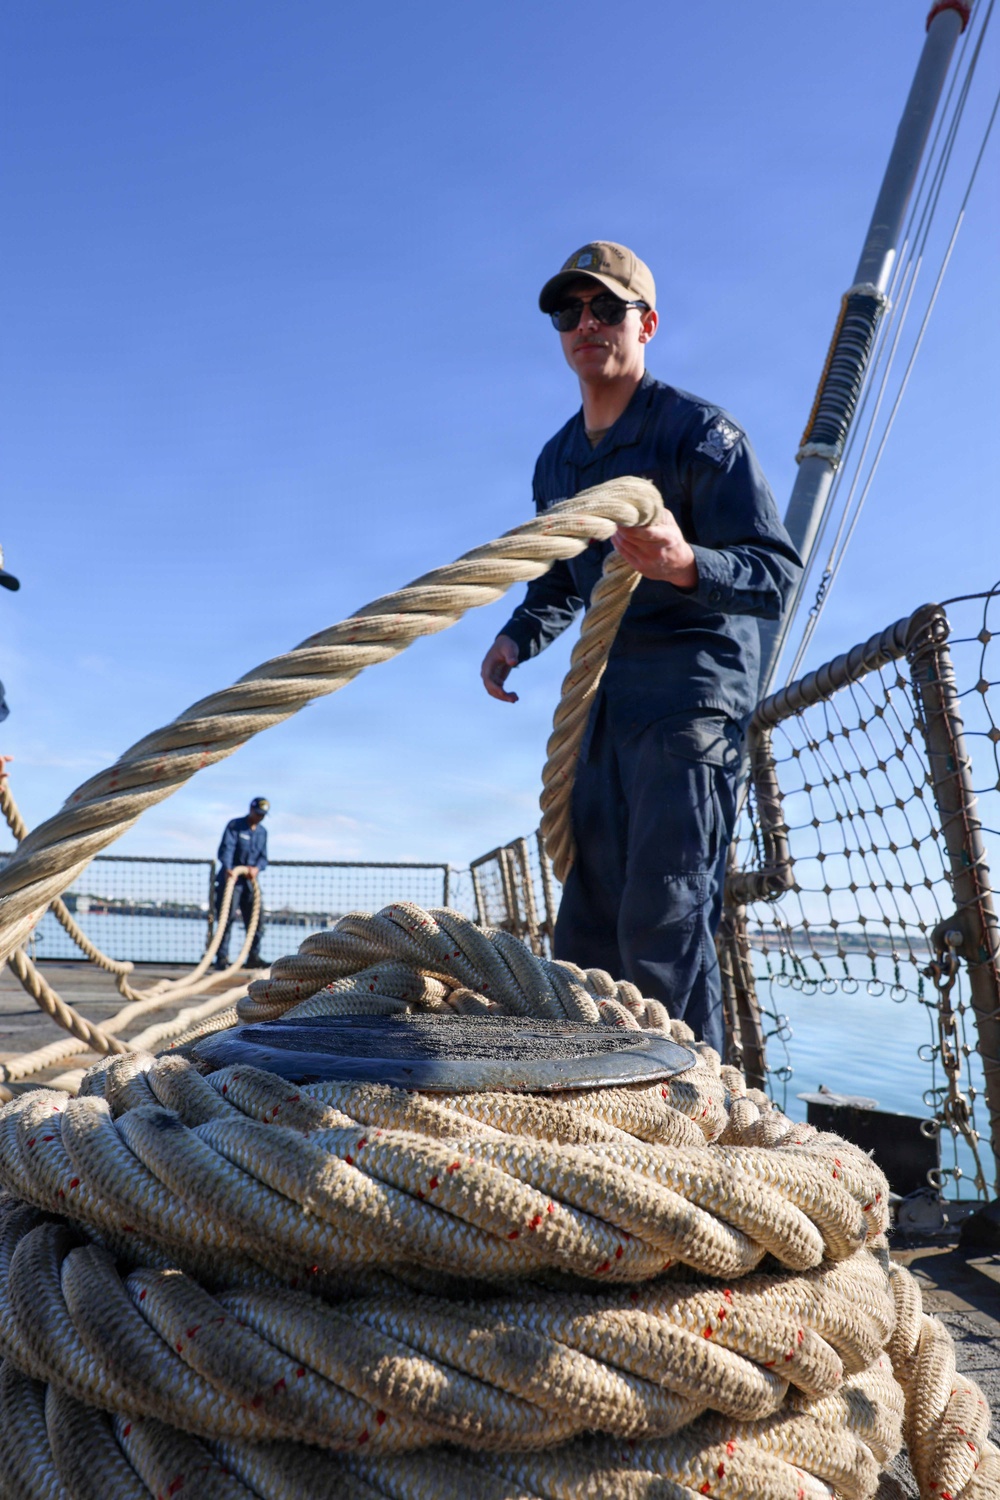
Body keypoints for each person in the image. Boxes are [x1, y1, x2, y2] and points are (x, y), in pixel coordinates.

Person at [480, 242, 801, 1055]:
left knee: (665, 909)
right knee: (588, 918)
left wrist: (687, 562)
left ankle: (689, 1108)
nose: (585, 324)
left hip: (691, 701)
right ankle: (595, 1098)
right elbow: (560, 582)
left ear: (646, 324)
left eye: (606, 308)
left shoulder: (701, 434)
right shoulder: (557, 461)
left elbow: (774, 573)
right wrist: (517, 639)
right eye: (568, 312)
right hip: (608, 700)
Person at [213, 797, 269, 970]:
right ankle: (221, 958)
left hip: (250, 883)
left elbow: (263, 858)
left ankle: (253, 956)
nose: (260, 817)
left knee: (256, 919)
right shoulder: (234, 825)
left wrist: (257, 868)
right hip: (232, 880)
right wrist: (229, 869)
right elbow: (226, 849)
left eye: (263, 815)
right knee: (226, 918)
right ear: (251, 810)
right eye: (258, 814)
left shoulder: (263, 832)